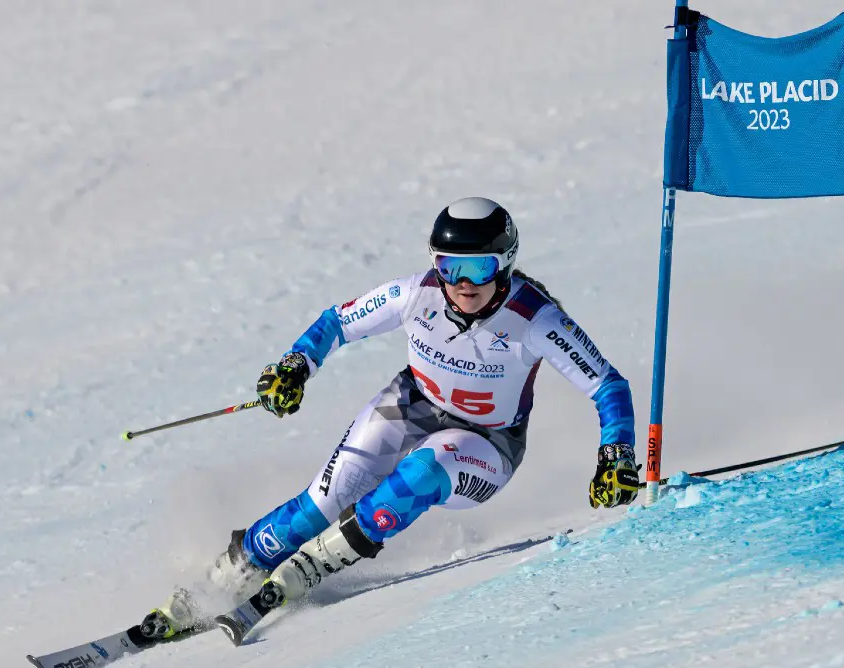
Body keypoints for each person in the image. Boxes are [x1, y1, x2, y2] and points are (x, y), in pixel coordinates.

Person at [142, 197, 639, 638]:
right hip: (410, 404)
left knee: (424, 470)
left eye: (481, 269)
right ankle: (222, 580)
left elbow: (607, 385)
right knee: (322, 501)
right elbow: (338, 322)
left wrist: (616, 454)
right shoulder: (415, 295)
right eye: (450, 266)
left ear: (505, 264)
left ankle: (311, 568)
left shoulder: (535, 318)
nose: (464, 285)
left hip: (488, 444)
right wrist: (295, 366)